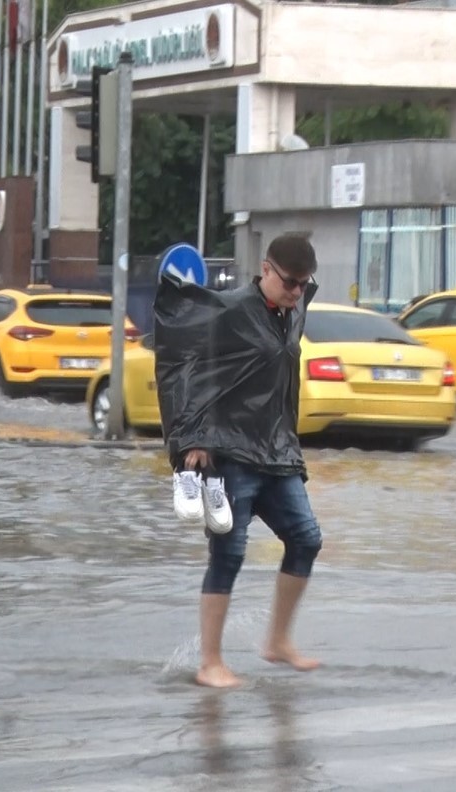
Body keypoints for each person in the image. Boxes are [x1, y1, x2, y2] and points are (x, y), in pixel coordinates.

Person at [154, 234, 325, 689]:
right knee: (229, 552)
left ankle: (278, 642)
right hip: (227, 451)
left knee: (306, 538)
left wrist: (285, 440)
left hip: (276, 449)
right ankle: (210, 662)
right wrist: (193, 437)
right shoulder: (228, 312)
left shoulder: (294, 310)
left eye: (304, 284)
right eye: (290, 282)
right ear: (266, 270)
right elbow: (184, 366)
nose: (297, 291)